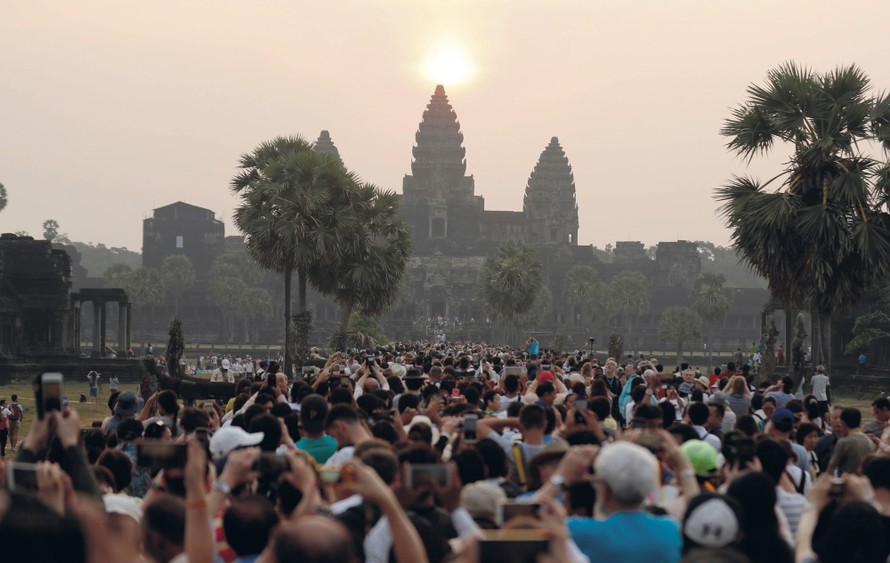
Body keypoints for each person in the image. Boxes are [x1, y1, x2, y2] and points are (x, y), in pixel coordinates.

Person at [564, 442, 682, 563]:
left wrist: (559, 479)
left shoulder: (577, 531)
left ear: (605, 489)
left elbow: (543, 518)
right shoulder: (671, 529)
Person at [827, 407, 874, 476]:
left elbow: (831, 469)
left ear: (843, 423)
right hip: (864, 482)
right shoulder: (869, 441)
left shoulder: (843, 442)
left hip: (846, 483)